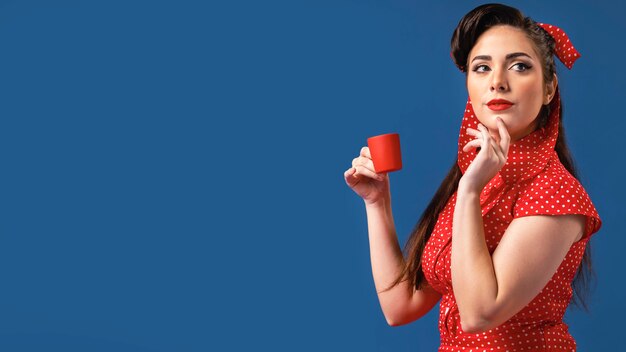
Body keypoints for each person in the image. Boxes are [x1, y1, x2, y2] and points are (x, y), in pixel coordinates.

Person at [343, 3, 602, 351]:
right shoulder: (482, 178)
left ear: (549, 89)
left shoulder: (554, 192)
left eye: (519, 66)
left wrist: (469, 191)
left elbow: (480, 313)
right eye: (482, 68)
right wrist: (377, 202)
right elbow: (400, 307)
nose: (497, 82)